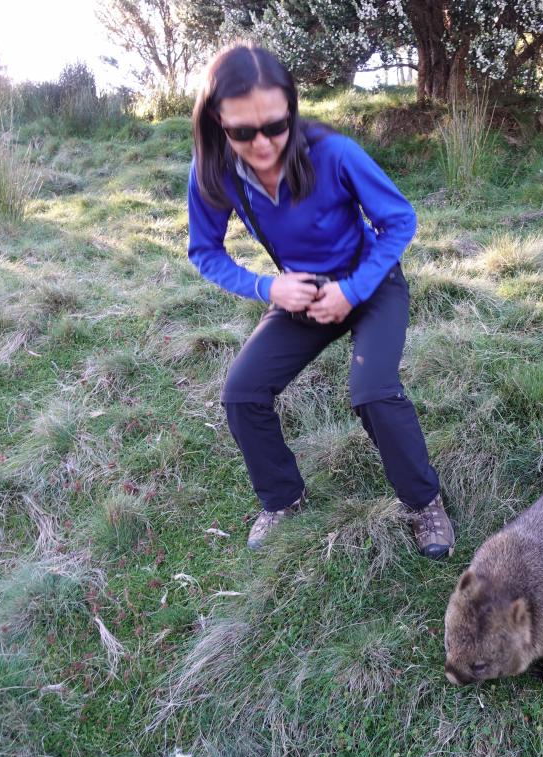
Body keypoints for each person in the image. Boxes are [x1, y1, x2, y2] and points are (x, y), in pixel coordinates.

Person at [186, 42, 455, 559]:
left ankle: (424, 505)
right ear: (218, 122)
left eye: (275, 126)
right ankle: (283, 499)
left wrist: (351, 290)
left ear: (292, 109)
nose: (262, 144)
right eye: (243, 131)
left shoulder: (334, 153)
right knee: (242, 393)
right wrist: (269, 287)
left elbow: (400, 221)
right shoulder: (212, 172)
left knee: (373, 390)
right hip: (301, 296)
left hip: (371, 284)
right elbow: (204, 251)